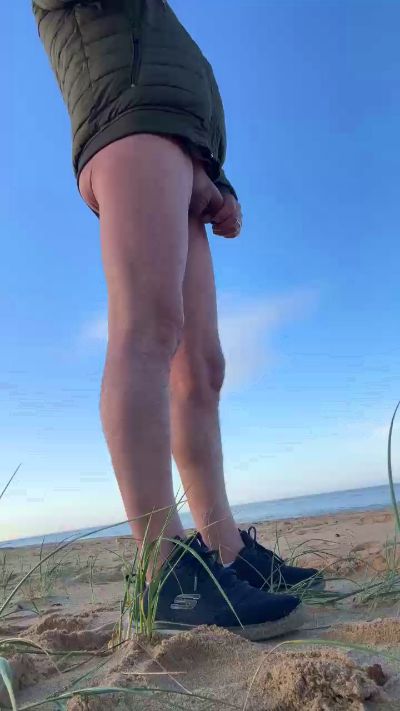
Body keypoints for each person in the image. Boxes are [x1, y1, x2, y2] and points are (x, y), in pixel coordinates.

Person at [32, 0, 322, 639]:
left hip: (180, 145)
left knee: (203, 368)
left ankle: (226, 553)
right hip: (128, 122)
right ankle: (162, 572)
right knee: (147, 331)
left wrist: (217, 175)